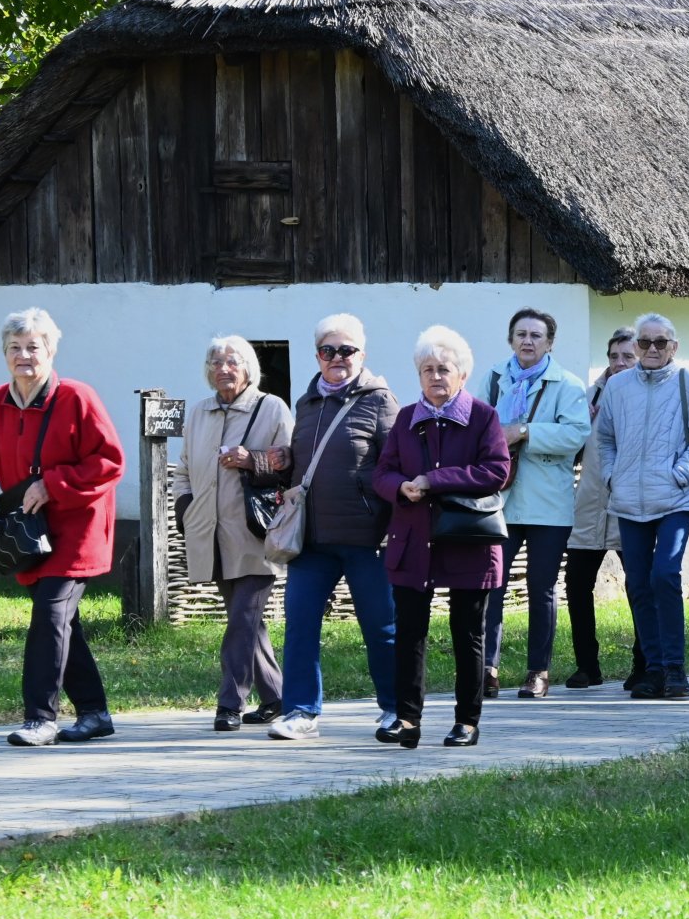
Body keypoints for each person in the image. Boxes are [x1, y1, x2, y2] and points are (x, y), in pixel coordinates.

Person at [0, 308, 126, 747]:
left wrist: (53, 484)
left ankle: (40, 718)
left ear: (50, 350)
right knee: (63, 624)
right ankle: (95, 713)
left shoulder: (78, 398)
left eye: (33, 347)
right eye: (14, 348)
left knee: (50, 615)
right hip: (30, 536)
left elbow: (109, 462)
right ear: (4, 354)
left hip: (77, 531)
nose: (24, 356)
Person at [259, 314, 401, 741]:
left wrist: (392, 527)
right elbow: (303, 465)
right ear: (317, 355)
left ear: (362, 354)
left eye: (347, 350)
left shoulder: (381, 401)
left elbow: (395, 467)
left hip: (366, 538)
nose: (337, 358)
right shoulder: (306, 403)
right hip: (313, 539)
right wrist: (283, 465)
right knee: (300, 622)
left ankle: (397, 708)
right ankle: (301, 711)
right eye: (328, 350)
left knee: (382, 626)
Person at [372, 327, 512, 748]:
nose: (435, 376)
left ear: (462, 375)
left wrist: (433, 480)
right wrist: (402, 487)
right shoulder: (405, 418)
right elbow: (381, 473)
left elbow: (496, 471)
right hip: (414, 539)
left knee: (467, 633)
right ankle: (407, 720)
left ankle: (467, 721)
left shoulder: (483, 416)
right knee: (410, 631)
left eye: (444, 369)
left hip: (466, 539)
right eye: (427, 369)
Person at [597, 312, 689, 700]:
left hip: (674, 499)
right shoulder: (617, 388)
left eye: (660, 342)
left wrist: (681, 472)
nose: (652, 349)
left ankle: (675, 669)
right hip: (629, 501)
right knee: (637, 583)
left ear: (673, 347)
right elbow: (604, 439)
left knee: (664, 575)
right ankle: (652, 670)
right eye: (645, 342)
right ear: (635, 347)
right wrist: (612, 475)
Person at [176, 335, 294, 730]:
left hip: (257, 533)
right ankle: (278, 698)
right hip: (210, 533)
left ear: (248, 368)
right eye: (215, 363)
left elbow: (293, 465)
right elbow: (184, 469)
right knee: (249, 622)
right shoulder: (199, 412)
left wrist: (253, 460)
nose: (223, 369)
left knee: (243, 620)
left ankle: (230, 703)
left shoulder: (271, 407)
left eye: (232, 362)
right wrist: (184, 508)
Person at [479, 308, 590, 700]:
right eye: (521, 334)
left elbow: (577, 435)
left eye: (536, 336)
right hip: (499, 501)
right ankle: (486, 670)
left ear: (550, 343)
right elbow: (474, 425)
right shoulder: (494, 379)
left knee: (542, 588)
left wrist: (524, 431)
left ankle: (537, 672)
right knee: (489, 585)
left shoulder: (568, 384)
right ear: (511, 339)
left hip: (547, 503)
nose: (528, 341)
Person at [563, 327, 646, 689]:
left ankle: (643, 664)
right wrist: (584, 424)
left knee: (639, 585)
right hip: (590, 504)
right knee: (576, 583)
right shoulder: (591, 394)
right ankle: (587, 666)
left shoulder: (649, 395)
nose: (619, 363)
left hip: (632, 505)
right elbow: (573, 449)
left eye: (627, 356)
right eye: (614, 356)